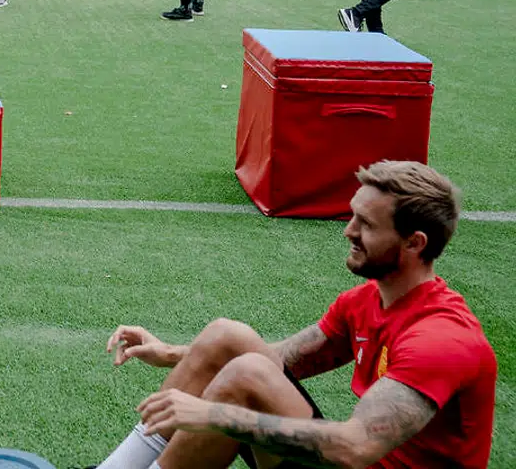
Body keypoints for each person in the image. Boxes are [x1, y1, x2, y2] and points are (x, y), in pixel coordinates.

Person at [92, 160, 494, 469]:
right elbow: (281, 358)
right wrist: (174, 353)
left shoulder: (441, 340)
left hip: (355, 457)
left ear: (414, 243)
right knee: (226, 338)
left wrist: (215, 414)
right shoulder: (366, 302)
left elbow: (356, 447)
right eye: (353, 215)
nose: (348, 231)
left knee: (245, 376)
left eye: (366, 224)